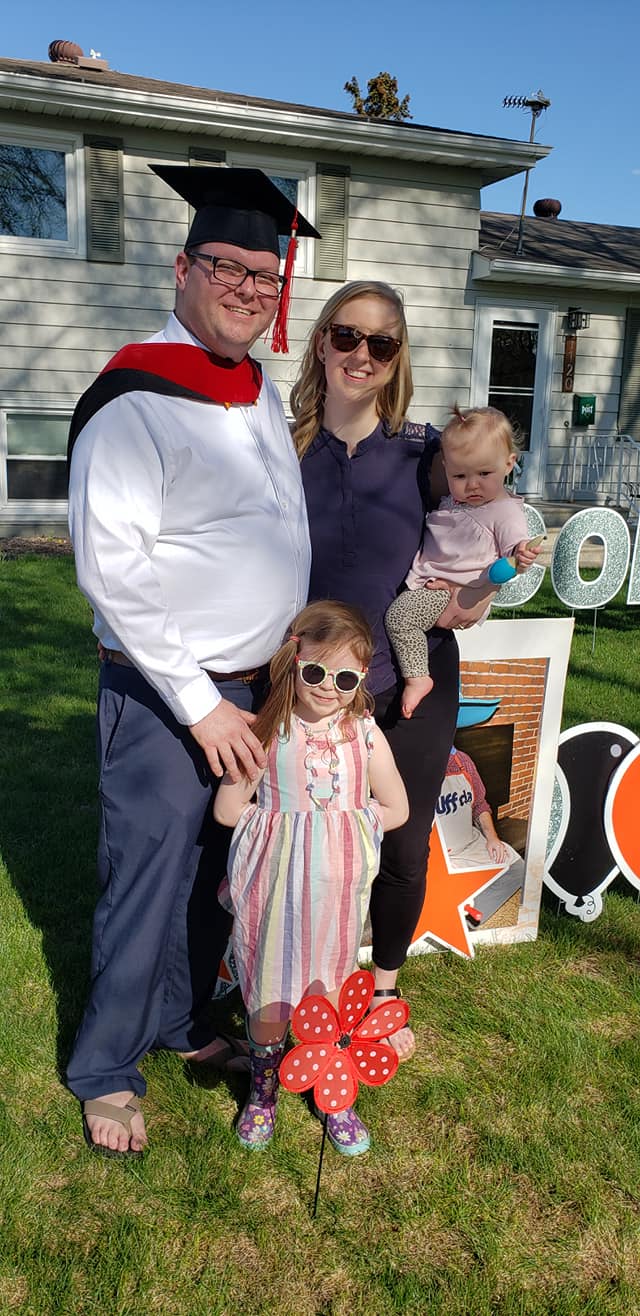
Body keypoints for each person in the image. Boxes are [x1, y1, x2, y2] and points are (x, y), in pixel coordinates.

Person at [66, 167, 320, 1157]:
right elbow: (113, 567)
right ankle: (105, 1068)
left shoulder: (254, 388)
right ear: (183, 268)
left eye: (265, 277)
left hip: (252, 686)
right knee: (148, 873)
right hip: (167, 688)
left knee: (216, 869)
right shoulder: (136, 399)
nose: (248, 289)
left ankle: (178, 1018)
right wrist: (198, 704)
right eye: (227, 267)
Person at [291, 281, 498, 1062]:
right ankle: (301, 980)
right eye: (348, 336)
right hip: (317, 686)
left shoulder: (425, 455)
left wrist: (476, 594)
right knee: (309, 840)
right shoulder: (280, 450)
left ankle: (383, 991)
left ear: (397, 356)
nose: (362, 354)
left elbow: (485, 525)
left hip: (414, 676)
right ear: (322, 341)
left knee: (403, 846)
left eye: (382, 343)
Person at [213, 601, 409, 1155]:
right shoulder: (266, 731)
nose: (328, 687)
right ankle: (264, 1090)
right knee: (270, 992)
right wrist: (284, 830)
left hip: (336, 893)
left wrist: (345, 826)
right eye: (316, 671)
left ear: (362, 678)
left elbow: (396, 807)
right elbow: (229, 809)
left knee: (332, 987)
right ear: (293, 663)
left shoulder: (365, 736)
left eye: (345, 678)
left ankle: (334, 1090)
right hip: (275, 892)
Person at [385, 406, 538, 718]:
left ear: (509, 463)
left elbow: (514, 544)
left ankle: (417, 678)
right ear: (446, 469)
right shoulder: (457, 500)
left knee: (400, 618)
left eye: (484, 474)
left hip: (452, 590)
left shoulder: (503, 511)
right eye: (460, 476)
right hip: (433, 582)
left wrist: (521, 553)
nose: (472, 485)